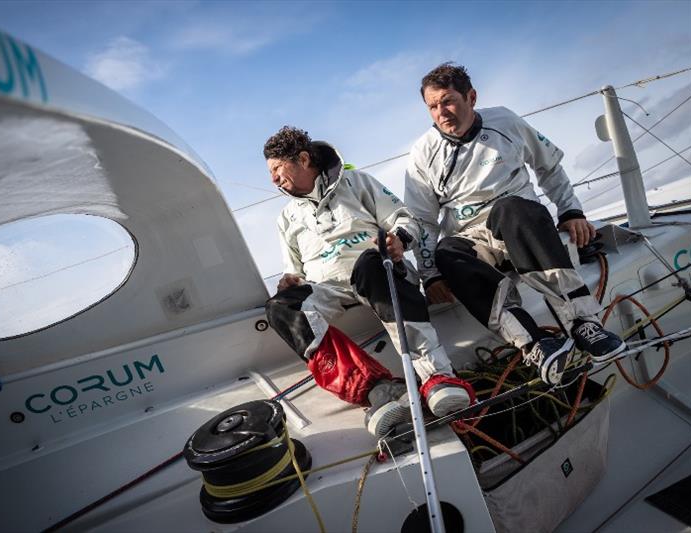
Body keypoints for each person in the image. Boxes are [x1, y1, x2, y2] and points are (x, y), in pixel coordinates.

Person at [404, 63, 626, 386]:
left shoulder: (505, 122)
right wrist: (430, 273)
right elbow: (423, 220)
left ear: (471, 97)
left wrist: (571, 211)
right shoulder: (423, 153)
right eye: (433, 106)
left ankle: (583, 323)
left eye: (448, 101)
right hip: (472, 237)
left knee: (512, 208)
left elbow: (548, 167)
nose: (442, 112)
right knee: (447, 252)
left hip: (519, 223)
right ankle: (534, 344)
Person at [263, 126, 473, 438]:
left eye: (278, 169)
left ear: (304, 159)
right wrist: (291, 281)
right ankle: (379, 390)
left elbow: (407, 220)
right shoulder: (286, 218)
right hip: (328, 287)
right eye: (270, 173)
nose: (274, 180)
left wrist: (399, 240)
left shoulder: (358, 183)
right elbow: (295, 272)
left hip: (377, 271)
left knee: (371, 262)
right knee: (280, 308)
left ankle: (437, 378)